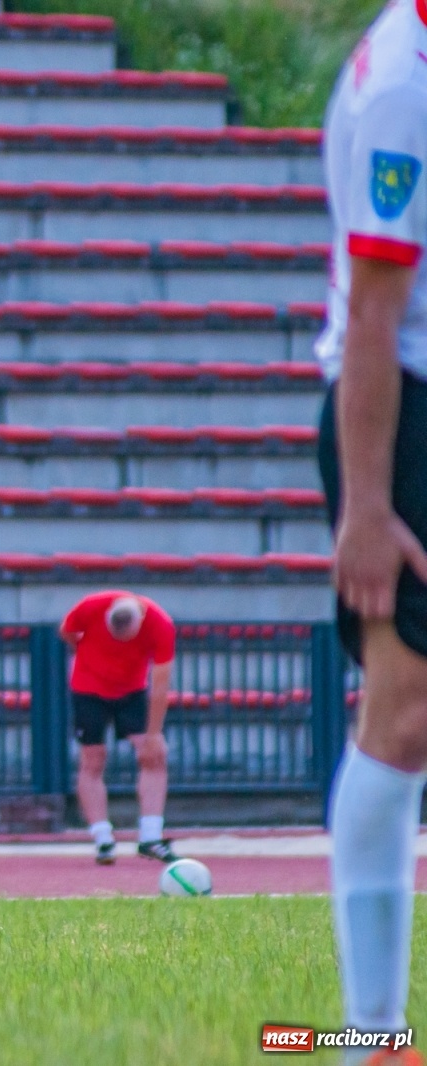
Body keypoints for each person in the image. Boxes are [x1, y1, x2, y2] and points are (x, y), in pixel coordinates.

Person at [314, 4, 427, 1062]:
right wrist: (366, 503)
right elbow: (375, 312)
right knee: (401, 717)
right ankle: (369, 1036)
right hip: (403, 409)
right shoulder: (405, 81)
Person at [60, 591, 177, 866]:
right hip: (88, 689)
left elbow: (161, 683)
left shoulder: (160, 625)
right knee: (93, 759)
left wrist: (154, 733)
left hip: (132, 691)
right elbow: (68, 631)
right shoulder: (90, 606)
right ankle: (103, 838)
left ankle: (150, 836)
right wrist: (85, 654)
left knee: (153, 755)